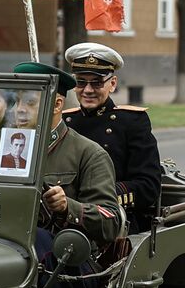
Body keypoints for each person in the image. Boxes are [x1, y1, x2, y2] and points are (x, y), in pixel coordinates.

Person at [14, 61, 119, 288]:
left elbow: (110, 221)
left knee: (35, 236)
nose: (19, 110)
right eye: (16, 101)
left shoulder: (88, 153)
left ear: (57, 104)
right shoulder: (10, 148)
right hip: (17, 257)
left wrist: (67, 207)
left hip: (71, 268)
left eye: (29, 103)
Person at [62, 42, 162, 232]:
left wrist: (102, 195)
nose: (88, 90)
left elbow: (148, 186)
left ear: (112, 84)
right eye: (81, 82)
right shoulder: (66, 121)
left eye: (97, 83)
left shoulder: (132, 122)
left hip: (115, 220)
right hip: (64, 215)